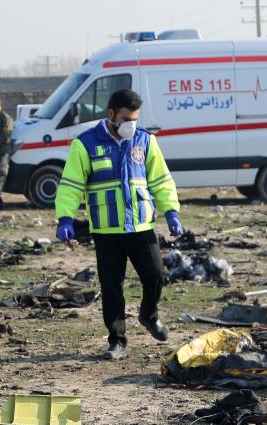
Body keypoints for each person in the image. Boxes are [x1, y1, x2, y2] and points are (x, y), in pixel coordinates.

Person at [54, 88, 183, 361]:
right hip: (106, 230)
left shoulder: (145, 141)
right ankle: (117, 341)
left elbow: (161, 180)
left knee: (156, 275)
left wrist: (171, 211)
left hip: (141, 226)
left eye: (134, 119)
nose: (130, 125)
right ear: (110, 114)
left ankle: (149, 316)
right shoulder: (85, 144)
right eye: (126, 119)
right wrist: (65, 218)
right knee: (112, 286)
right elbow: (71, 185)